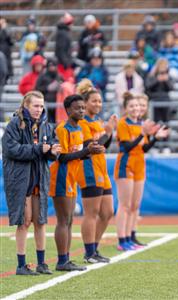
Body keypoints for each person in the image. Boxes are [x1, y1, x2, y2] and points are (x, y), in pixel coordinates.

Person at [2, 91, 61, 275]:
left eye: (41, 106)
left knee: (40, 221)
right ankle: (21, 265)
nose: (39, 109)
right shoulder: (14, 124)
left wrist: (54, 151)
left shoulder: (46, 125)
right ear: (26, 105)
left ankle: (41, 263)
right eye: (35, 105)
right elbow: (12, 150)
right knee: (24, 221)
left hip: (40, 178)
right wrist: (38, 149)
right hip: (21, 180)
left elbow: (49, 149)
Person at [49, 94, 104, 271]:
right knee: (63, 220)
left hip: (72, 177)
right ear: (67, 110)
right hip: (61, 177)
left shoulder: (79, 129)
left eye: (82, 107)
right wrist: (85, 152)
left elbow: (79, 154)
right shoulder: (62, 129)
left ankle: (66, 258)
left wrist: (92, 151)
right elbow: (63, 157)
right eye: (77, 108)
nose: (81, 110)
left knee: (70, 220)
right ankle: (61, 260)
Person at [114, 92, 163, 251]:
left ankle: (129, 238)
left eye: (137, 105)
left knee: (135, 205)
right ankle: (122, 239)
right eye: (132, 106)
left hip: (139, 165)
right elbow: (127, 147)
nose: (136, 108)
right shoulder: (123, 123)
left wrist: (155, 137)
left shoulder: (141, 124)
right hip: (126, 164)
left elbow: (144, 148)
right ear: (126, 108)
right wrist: (143, 133)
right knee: (125, 204)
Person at [76, 79, 118, 263]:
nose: (98, 104)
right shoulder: (82, 122)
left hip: (101, 168)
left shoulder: (98, 121)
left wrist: (109, 133)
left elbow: (104, 145)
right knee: (91, 213)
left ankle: (94, 247)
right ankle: (89, 252)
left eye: (100, 101)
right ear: (84, 103)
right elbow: (89, 146)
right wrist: (107, 133)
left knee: (107, 212)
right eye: (94, 101)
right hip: (88, 169)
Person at [145, 58, 174, 123]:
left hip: (165, 100)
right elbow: (148, 87)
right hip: (154, 100)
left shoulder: (168, 76)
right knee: (155, 122)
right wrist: (157, 80)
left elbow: (171, 88)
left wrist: (166, 81)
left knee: (166, 122)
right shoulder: (151, 75)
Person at [35, 58, 64, 123]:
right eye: (50, 66)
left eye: (54, 66)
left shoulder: (59, 76)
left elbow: (65, 88)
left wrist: (60, 87)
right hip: (46, 104)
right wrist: (47, 88)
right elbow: (36, 89)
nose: (52, 68)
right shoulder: (42, 76)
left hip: (58, 105)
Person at [55, 12, 75, 81]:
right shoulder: (63, 33)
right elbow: (61, 50)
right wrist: (66, 63)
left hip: (64, 63)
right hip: (63, 65)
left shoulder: (63, 32)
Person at [0, 16, 14, 81]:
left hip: (6, 53)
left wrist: (4, 29)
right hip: (1, 53)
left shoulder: (7, 30)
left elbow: (11, 41)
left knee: (6, 70)